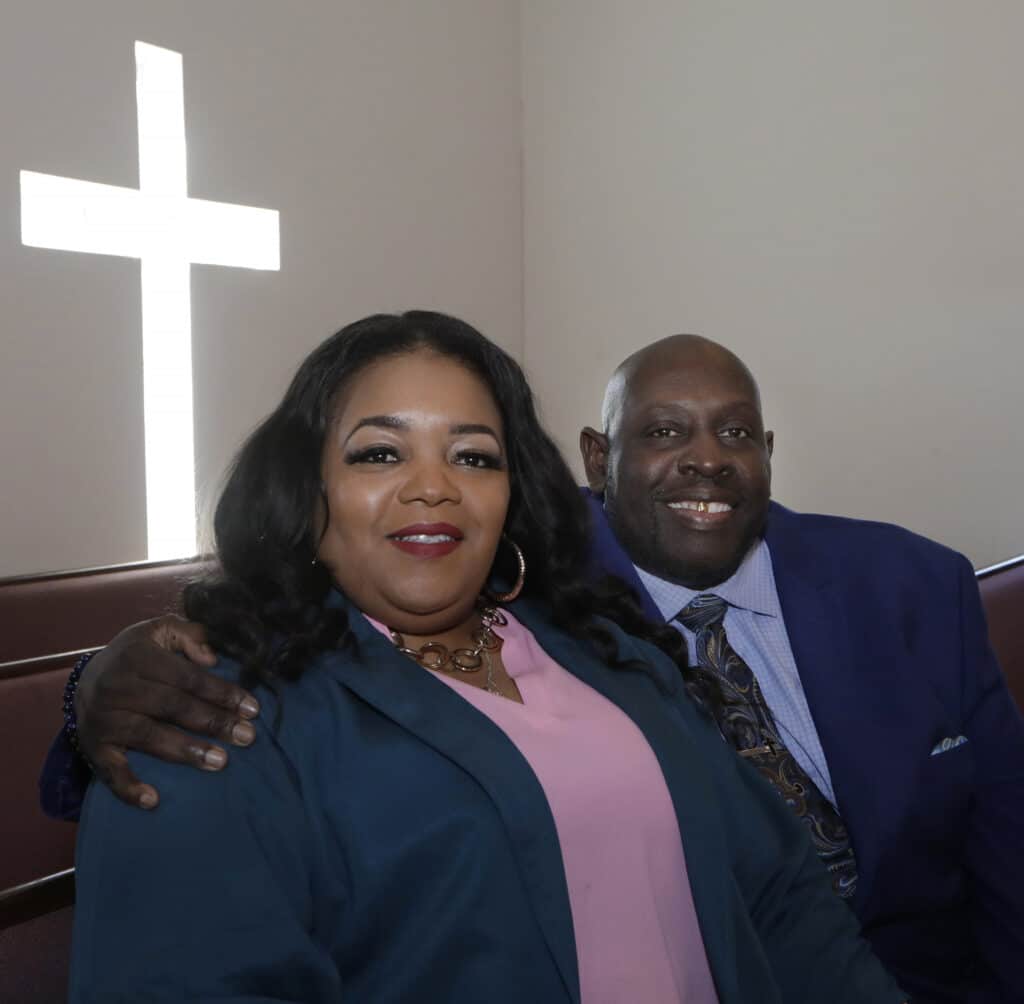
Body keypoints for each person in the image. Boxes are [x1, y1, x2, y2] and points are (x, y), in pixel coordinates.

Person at [64, 313, 906, 1002]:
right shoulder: (205, 713)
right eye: (379, 452)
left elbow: (781, 891)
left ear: (512, 494)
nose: (434, 486)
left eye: (473, 455)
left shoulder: (605, 651)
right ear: (306, 485)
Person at [576, 335, 1024, 1003]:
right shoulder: (540, 616)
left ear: (767, 454)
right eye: (665, 431)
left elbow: (1010, 850)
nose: (707, 458)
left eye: (736, 432)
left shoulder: (914, 588)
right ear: (599, 458)